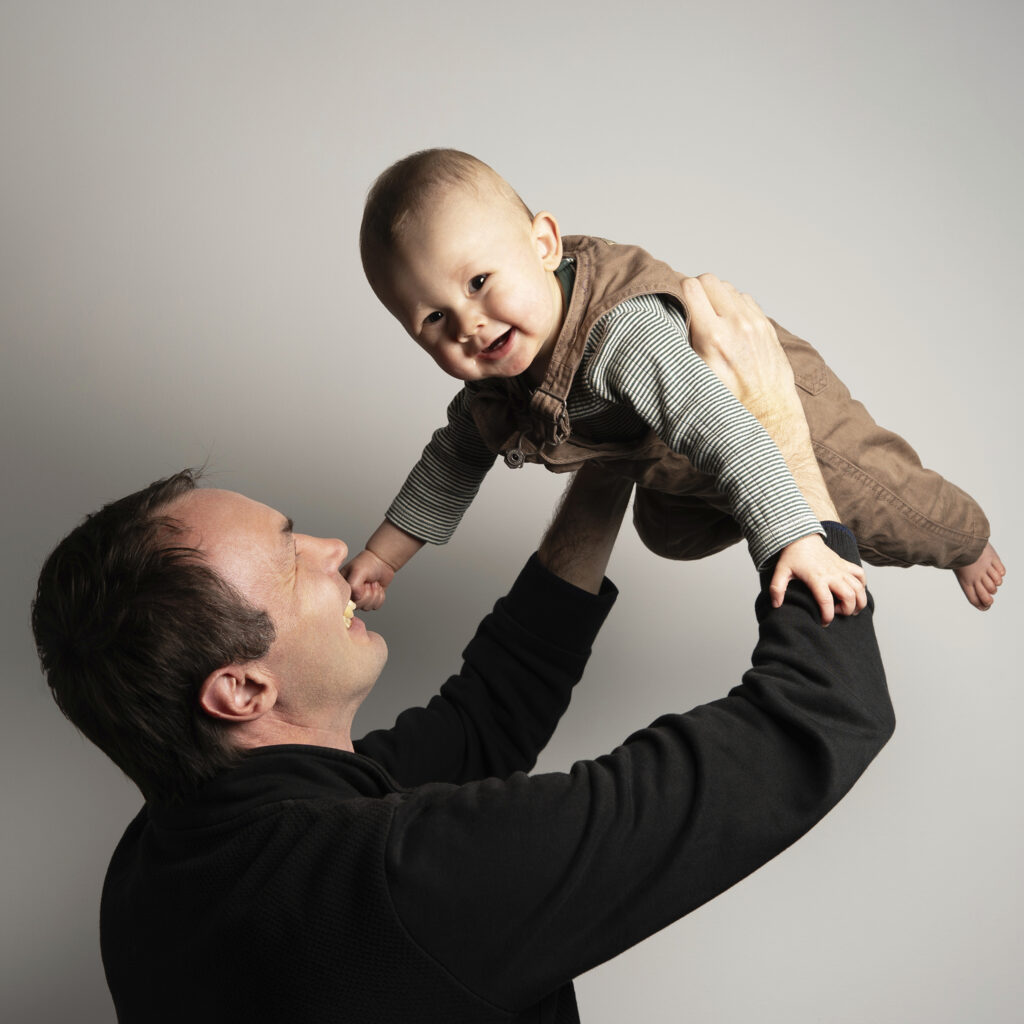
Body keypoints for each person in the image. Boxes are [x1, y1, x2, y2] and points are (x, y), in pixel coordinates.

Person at [32, 281, 892, 1022]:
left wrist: (610, 459)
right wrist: (778, 435)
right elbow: (818, 719)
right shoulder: (391, 889)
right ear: (242, 689)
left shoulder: (164, 865)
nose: (337, 550)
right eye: (292, 559)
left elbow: (488, 716)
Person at [347, 148, 1004, 617]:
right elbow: (450, 464)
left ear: (543, 244)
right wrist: (382, 558)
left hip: (763, 411)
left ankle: (965, 540)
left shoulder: (621, 339)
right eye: (434, 319)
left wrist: (794, 540)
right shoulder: (494, 386)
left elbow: (730, 434)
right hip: (677, 455)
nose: (469, 324)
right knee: (668, 536)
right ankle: (757, 505)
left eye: (480, 282)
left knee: (887, 513)